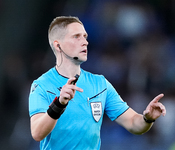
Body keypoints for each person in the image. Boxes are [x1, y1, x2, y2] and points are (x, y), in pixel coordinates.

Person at [29, 16, 166, 150]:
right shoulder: (42, 85)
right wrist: (59, 104)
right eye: (76, 36)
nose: (85, 42)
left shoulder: (100, 84)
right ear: (58, 45)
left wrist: (147, 119)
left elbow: (133, 123)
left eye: (85, 36)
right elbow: (37, 133)